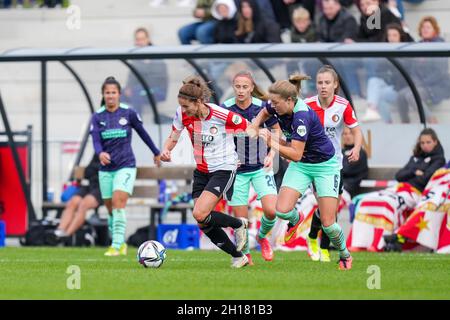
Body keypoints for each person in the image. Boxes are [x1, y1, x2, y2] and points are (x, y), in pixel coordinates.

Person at [248, 74, 354, 270]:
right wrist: (254, 125)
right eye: (273, 102)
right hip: (303, 166)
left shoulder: (302, 117)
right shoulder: (278, 104)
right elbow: (264, 112)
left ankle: (345, 255)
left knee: (329, 224)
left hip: (325, 166)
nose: (273, 106)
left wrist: (270, 141)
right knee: (281, 210)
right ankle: (296, 220)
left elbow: (295, 154)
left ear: (290, 100)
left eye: (277, 103)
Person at [160, 75, 251, 268]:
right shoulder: (182, 113)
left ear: (199, 101)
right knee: (202, 221)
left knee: (200, 213)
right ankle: (237, 256)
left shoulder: (220, 114)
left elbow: (248, 128)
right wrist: (166, 149)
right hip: (201, 170)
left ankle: (238, 224)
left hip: (223, 169)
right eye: (182, 107)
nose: (184, 111)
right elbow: (173, 136)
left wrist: (265, 151)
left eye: (187, 107)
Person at [90, 76, 161, 256]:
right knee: (110, 208)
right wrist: (100, 153)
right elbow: (96, 141)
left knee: (117, 203)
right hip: (106, 169)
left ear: (119, 94)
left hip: (126, 165)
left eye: (113, 92)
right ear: (103, 94)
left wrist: (156, 151)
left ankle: (116, 245)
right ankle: (119, 241)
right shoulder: (98, 116)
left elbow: (143, 133)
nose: (110, 95)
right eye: (107, 92)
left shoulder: (128, 113)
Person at [303, 65, 363, 262]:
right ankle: (321, 245)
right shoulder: (307, 104)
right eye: (319, 82)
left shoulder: (343, 105)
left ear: (335, 84)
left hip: (335, 164)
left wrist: (356, 148)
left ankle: (318, 241)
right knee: (324, 205)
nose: (323, 86)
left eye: (327, 82)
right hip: (315, 163)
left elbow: (356, 130)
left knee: (329, 210)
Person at [222, 70, 281, 264]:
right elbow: (218, 136)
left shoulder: (262, 107)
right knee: (241, 220)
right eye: (237, 86)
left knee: (272, 210)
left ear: (252, 88)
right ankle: (245, 254)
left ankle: (262, 237)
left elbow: (277, 130)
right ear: (233, 86)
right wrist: (228, 157)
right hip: (237, 171)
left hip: (260, 167)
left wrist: (272, 154)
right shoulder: (226, 108)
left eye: (245, 87)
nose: (241, 90)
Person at [396, 16, 450, 123]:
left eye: (428, 27)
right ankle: (405, 122)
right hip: (420, 85)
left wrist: (421, 84)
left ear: (435, 30)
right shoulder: (418, 45)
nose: (425, 29)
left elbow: (440, 72)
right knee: (400, 95)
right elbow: (412, 70)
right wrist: (415, 82)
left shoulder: (440, 45)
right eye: (423, 27)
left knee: (412, 95)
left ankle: (431, 119)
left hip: (436, 86)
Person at [361, 22, 414, 123]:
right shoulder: (385, 52)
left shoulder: (407, 52)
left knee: (378, 95)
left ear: (400, 37)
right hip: (389, 86)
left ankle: (387, 122)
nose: (391, 38)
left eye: (395, 35)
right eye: (389, 35)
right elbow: (379, 72)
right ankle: (372, 109)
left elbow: (404, 77)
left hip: (401, 90)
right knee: (373, 81)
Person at [51, 154, 103, 242]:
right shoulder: (98, 152)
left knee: (83, 205)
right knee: (72, 202)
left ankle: (67, 235)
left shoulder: (117, 151)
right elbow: (87, 172)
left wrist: (97, 169)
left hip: (104, 188)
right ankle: (59, 232)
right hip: (91, 186)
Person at [122, 27, 168, 118]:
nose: (140, 42)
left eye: (142, 39)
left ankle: (137, 123)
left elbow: (157, 79)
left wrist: (133, 88)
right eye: (138, 39)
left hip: (157, 90)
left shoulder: (156, 55)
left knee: (136, 92)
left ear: (148, 39)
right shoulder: (136, 57)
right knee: (114, 93)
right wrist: (128, 88)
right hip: (140, 90)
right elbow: (132, 77)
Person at [394, 128, 445, 193]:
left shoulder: (439, 160)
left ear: (435, 142)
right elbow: (398, 176)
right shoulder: (415, 157)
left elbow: (424, 180)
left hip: (418, 193)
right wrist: (413, 172)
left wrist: (406, 178)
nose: (425, 145)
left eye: (428, 142)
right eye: (422, 143)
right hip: (401, 188)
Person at [341, 127, 369, 197]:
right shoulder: (339, 152)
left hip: (352, 188)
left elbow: (347, 170)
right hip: (339, 185)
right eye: (345, 134)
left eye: (350, 133)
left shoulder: (360, 153)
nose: (347, 136)